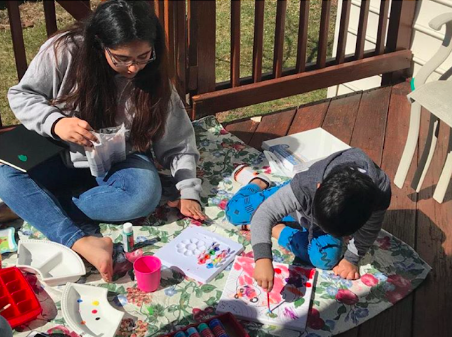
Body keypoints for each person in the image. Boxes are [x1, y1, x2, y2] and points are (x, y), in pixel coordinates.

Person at [0, 0, 205, 282]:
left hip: (119, 158)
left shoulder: (153, 75)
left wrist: (188, 188)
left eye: (143, 56)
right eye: (121, 58)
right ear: (99, 44)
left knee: (144, 196)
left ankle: (34, 205)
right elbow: (22, 96)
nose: (133, 68)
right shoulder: (65, 51)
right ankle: (78, 239)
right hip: (58, 153)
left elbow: (179, 141)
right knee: (5, 176)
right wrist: (57, 123)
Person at [226, 148, 391, 291]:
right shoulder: (306, 185)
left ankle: (277, 229)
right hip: (296, 204)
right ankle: (259, 182)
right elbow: (265, 212)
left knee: (326, 259)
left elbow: (369, 230)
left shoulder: (378, 194)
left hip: (317, 216)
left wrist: (351, 258)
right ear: (318, 188)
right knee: (234, 213)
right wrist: (262, 258)